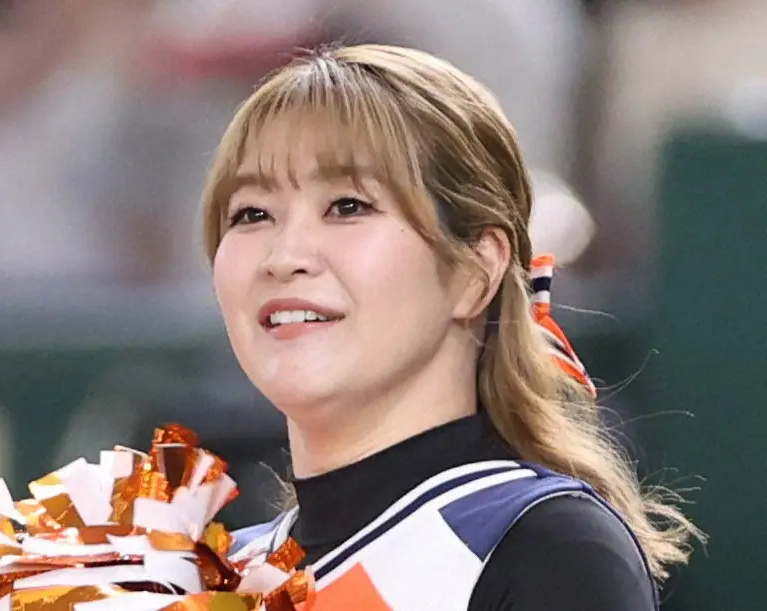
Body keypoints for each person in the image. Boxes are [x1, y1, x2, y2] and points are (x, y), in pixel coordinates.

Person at [200, 45, 701, 610]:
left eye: (347, 206)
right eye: (252, 214)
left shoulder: (547, 548)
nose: (284, 256)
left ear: (476, 271)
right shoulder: (208, 574)